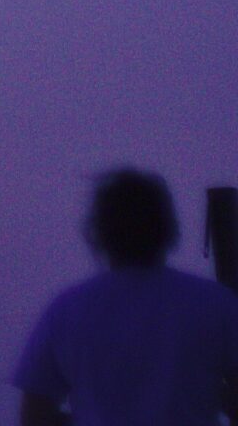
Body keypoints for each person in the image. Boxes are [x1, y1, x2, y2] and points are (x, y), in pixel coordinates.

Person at [15, 169, 238, 425]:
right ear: (167, 227)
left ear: (100, 231)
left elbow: (34, 416)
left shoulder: (68, 310)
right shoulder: (214, 303)